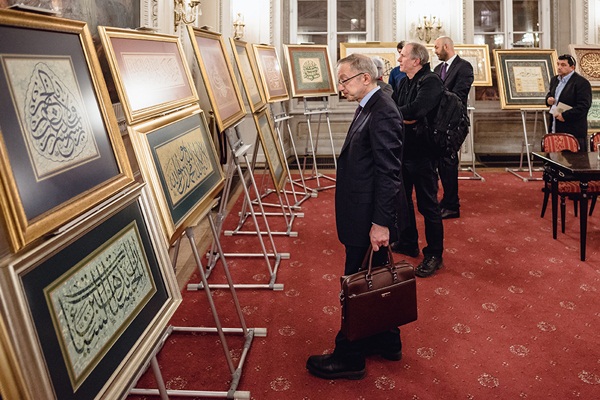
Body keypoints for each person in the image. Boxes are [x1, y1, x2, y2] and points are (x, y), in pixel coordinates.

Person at [306, 54, 406, 380]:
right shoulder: (370, 104)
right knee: (375, 277)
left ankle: (350, 356)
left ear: (365, 78)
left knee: (356, 283)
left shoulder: (382, 110)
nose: (340, 87)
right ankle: (386, 340)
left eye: (344, 80)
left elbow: (389, 173)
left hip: (368, 218)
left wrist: (381, 223)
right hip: (362, 212)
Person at [391, 42, 445, 278]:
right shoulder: (404, 81)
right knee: (402, 201)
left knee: (428, 206)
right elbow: (395, 108)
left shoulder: (431, 81)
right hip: (404, 151)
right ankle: (408, 242)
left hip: (424, 154)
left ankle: (434, 254)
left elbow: (415, 111)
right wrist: (405, 116)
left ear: (416, 60)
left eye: (403, 56)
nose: (399, 60)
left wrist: (404, 115)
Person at [433, 36, 474, 219]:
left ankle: (452, 206)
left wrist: (434, 95)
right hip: (439, 122)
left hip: (456, 122)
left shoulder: (464, 67)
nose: (435, 51)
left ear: (446, 46)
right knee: (441, 163)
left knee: (448, 162)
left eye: (436, 47)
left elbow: (459, 94)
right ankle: (446, 201)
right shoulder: (437, 69)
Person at [546, 53, 592, 152]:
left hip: (573, 130)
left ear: (572, 67)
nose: (559, 67)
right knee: (554, 158)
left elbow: (584, 106)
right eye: (558, 64)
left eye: (563, 65)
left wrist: (565, 116)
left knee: (573, 160)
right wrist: (548, 99)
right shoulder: (554, 80)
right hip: (555, 126)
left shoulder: (581, 83)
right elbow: (550, 94)